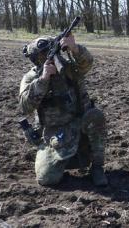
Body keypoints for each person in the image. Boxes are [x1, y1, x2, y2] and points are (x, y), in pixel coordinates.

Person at [19, 33, 108, 186]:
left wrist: (74, 48)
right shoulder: (31, 77)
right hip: (54, 134)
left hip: (80, 125)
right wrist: (43, 80)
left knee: (95, 116)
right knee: (47, 179)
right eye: (42, 55)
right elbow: (25, 106)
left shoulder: (69, 68)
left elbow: (87, 63)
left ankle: (97, 167)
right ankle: (65, 160)